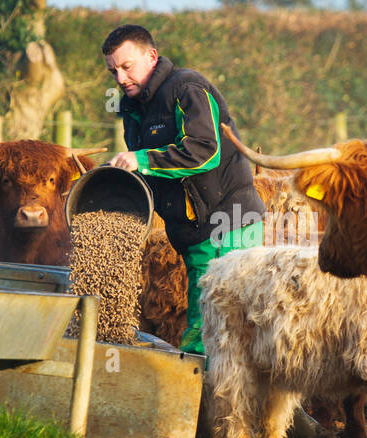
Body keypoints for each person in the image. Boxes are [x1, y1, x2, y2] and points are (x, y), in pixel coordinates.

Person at [103, 24, 265, 355]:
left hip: (225, 226)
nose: (120, 78)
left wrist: (142, 159)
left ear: (151, 56)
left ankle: (202, 405)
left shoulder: (186, 88)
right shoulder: (133, 109)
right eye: (113, 71)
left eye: (126, 66)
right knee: (213, 330)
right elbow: (151, 174)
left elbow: (205, 151)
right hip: (192, 234)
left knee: (210, 333)